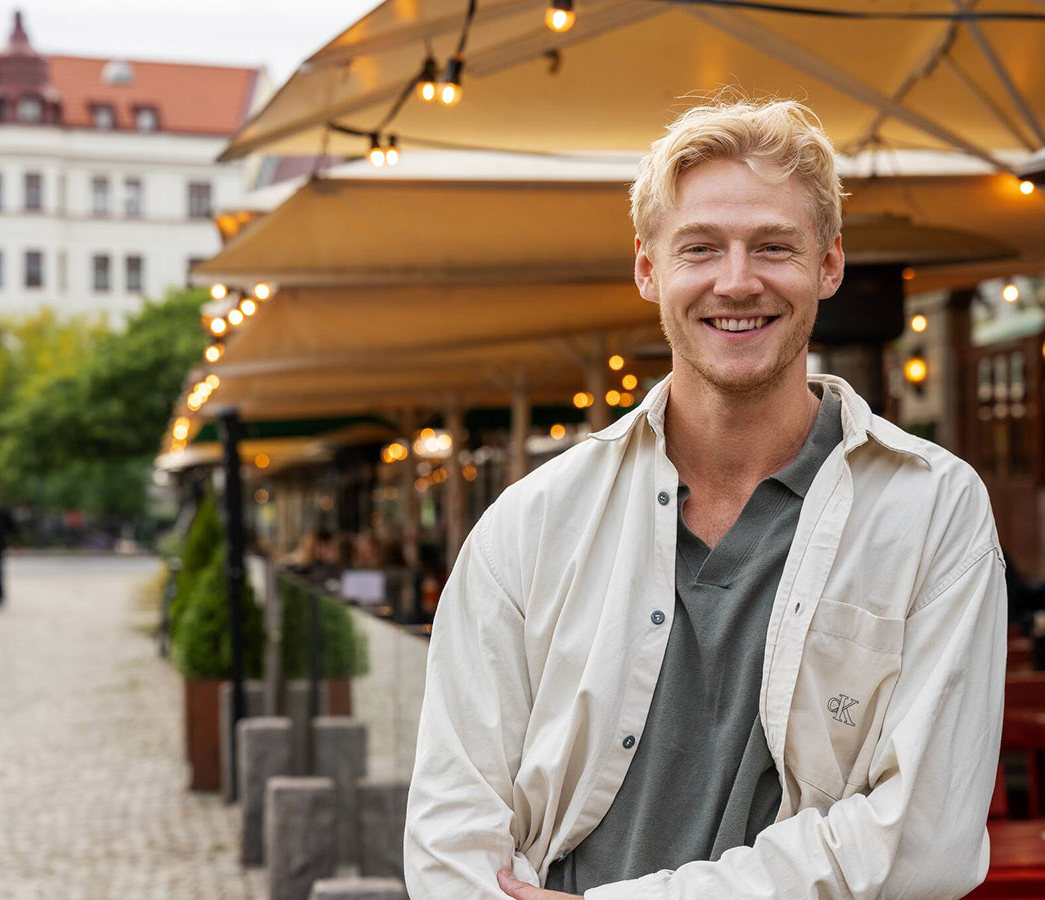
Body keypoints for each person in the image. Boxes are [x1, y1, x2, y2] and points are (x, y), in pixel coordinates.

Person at [405, 97, 1008, 900]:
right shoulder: (531, 521)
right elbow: (450, 831)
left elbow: (926, 842)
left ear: (829, 266)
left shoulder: (933, 511)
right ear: (648, 268)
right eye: (700, 248)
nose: (737, 281)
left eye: (773, 247)